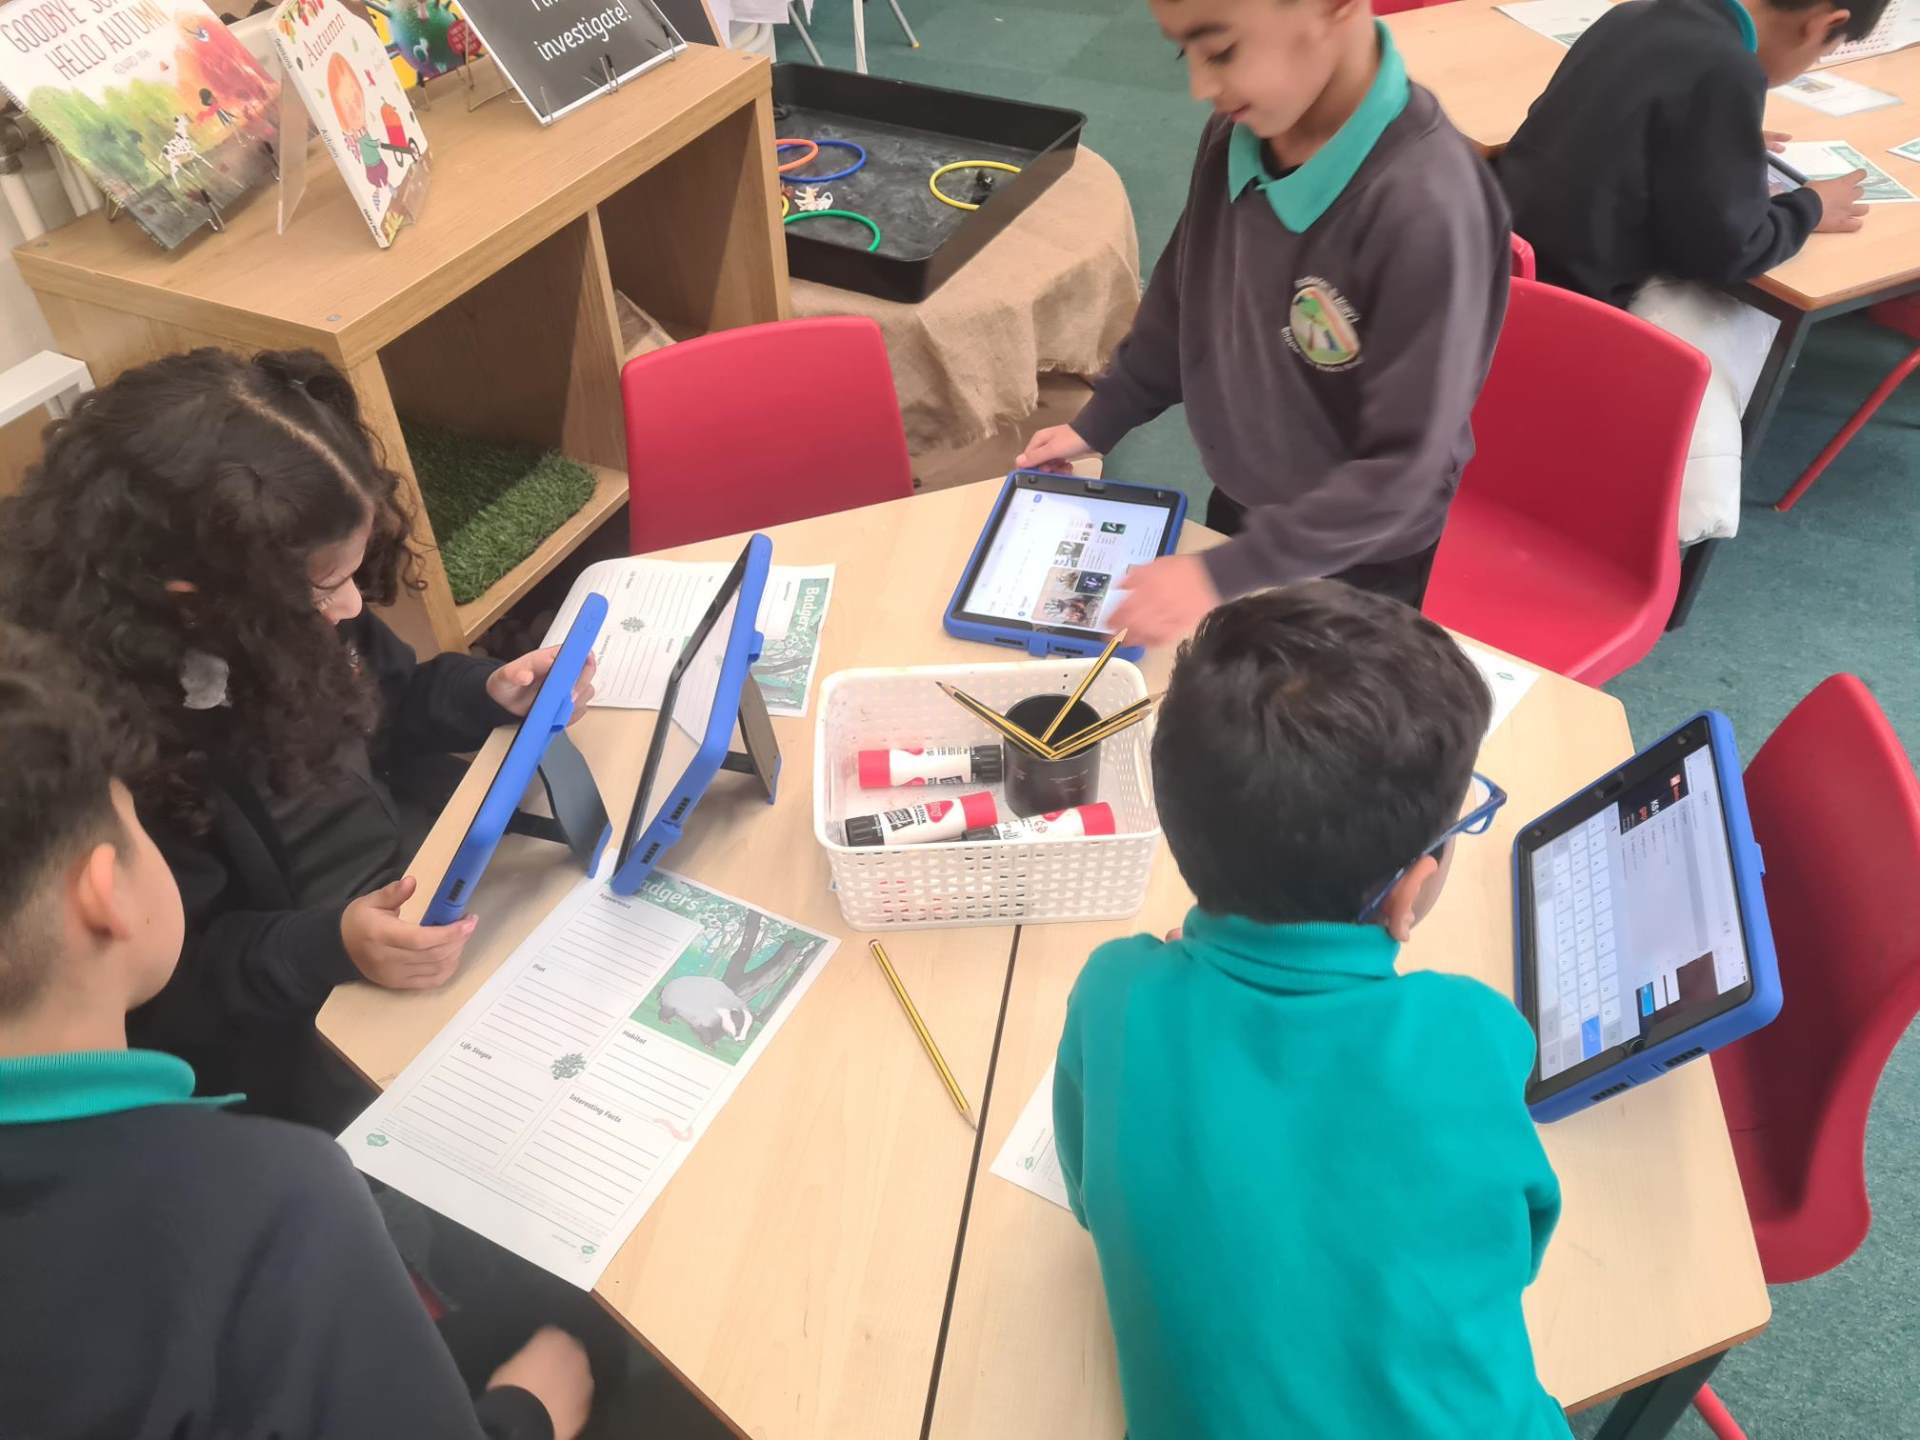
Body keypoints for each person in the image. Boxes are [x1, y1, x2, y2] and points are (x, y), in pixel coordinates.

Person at [0, 622, 595, 1440]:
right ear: (104, 895)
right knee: (582, 1337)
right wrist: (525, 1416)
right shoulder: (274, 1200)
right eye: (132, 820)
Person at [0, 348, 595, 1124]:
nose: (350, 608)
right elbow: (165, 980)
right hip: (293, 1013)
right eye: (324, 589)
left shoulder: (269, 607)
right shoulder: (95, 741)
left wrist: (484, 691)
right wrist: (333, 945)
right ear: (195, 598)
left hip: (410, 897)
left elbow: (390, 700)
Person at [1053, 582, 1567, 1438]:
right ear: (1409, 892)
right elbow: (1517, 1250)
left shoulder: (1113, 992)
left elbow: (1088, 1199)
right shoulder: (1473, 1032)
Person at [1016, 0, 1510, 642]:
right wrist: (1103, 417)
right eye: (1185, 51)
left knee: (1320, 695)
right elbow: (1181, 300)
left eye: (1221, 51)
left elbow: (1403, 467)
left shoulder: (1428, 208)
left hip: (1361, 546)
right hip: (1249, 492)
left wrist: (1223, 573)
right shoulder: (1239, 130)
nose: (1201, 86)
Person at [1498, 0, 1886, 544]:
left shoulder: (1642, 13)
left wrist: (1721, 142)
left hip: (1507, 267)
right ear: (1825, 24)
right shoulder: (1728, 68)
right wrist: (1810, 207)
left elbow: (1622, 123)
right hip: (1576, 305)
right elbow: (1727, 252)